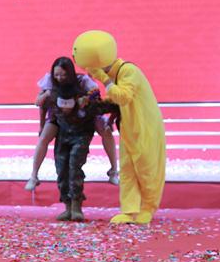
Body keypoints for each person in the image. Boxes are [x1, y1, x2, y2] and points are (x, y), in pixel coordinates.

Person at [73, 30, 166, 225]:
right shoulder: (116, 75)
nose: (89, 73)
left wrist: (104, 80)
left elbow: (123, 97)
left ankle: (147, 208)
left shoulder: (128, 71)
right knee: (127, 170)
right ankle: (130, 210)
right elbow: (115, 101)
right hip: (128, 128)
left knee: (146, 168)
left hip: (145, 128)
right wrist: (93, 104)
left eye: (90, 69)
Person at [25, 57, 119, 191]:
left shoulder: (82, 81)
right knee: (44, 137)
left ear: (70, 73)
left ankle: (113, 171)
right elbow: (39, 103)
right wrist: (46, 97)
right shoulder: (50, 82)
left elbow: (97, 97)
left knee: (106, 130)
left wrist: (87, 99)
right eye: (57, 75)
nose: (59, 78)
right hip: (59, 116)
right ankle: (34, 176)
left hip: (83, 116)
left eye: (63, 75)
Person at [47, 79, 116, 222]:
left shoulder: (88, 106)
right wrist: (42, 125)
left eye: (68, 106)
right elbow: (41, 106)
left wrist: (111, 120)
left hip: (81, 137)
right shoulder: (54, 103)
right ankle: (67, 206)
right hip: (63, 138)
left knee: (75, 167)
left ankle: (76, 206)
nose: (65, 109)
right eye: (62, 106)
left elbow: (114, 105)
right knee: (61, 170)